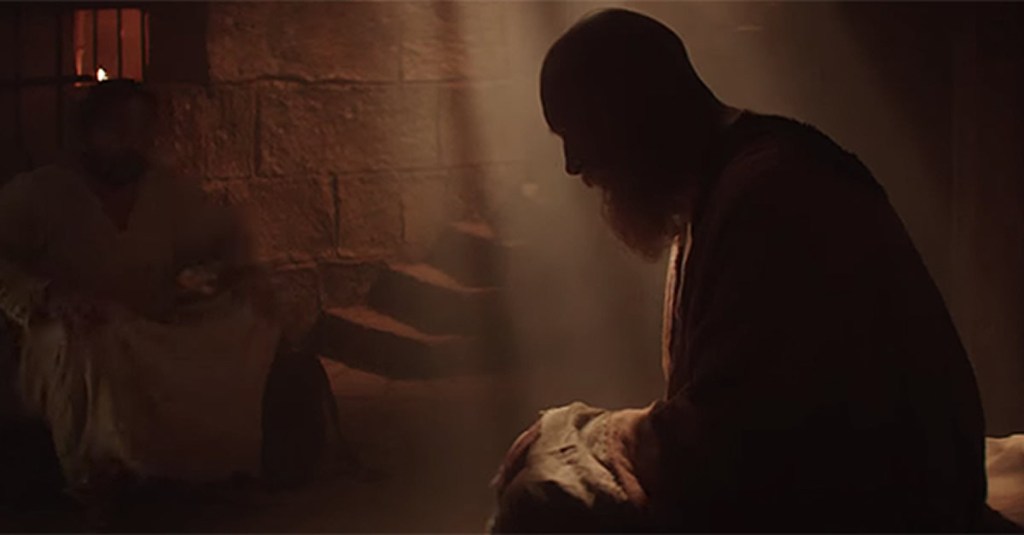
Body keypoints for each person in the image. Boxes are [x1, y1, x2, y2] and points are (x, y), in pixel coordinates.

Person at [491, 9, 989, 532]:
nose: (573, 165)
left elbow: (743, 442)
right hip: (841, 484)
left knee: (539, 503)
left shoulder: (773, 193)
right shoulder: (721, 188)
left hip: (893, 504)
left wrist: (595, 433)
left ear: (634, 108)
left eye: (579, 131)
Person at [0, 80, 335, 505]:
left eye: (142, 130)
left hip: (148, 324)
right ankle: (104, 473)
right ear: (89, 132)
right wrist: (48, 297)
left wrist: (243, 277)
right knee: (89, 345)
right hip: (70, 327)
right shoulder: (39, 193)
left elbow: (225, 234)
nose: (131, 142)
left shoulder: (166, 193)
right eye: (118, 129)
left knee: (250, 325)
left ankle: (209, 464)